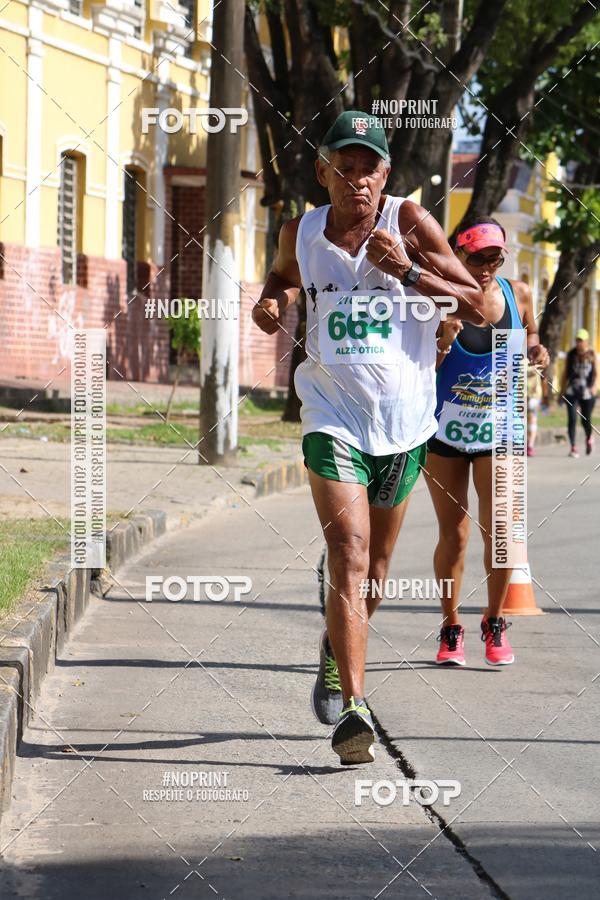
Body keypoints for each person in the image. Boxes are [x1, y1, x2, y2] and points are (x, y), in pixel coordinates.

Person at [252, 110, 491, 765]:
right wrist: (271, 301)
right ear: (323, 171)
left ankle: (336, 647)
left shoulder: (409, 223)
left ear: (387, 175)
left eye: (370, 169)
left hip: (407, 424)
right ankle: (355, 709)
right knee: (350, 550)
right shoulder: (298, 230)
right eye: (345, 167)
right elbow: (282, 275)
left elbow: (481, 309)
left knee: (376, 569)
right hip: (331, 411)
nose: (358, 181)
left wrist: (410, 271)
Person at [424, 217, 549, 667]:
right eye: (477, 257)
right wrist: (441, 342)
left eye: (494, 257)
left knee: (502, 537)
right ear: (457, 254)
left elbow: (531, 331)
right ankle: (450, 626)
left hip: (503, 432)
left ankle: (494, 621)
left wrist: (536, 348)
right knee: (453, 537)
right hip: (445, 434)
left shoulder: (518, 293)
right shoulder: (437, 299)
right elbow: (416, 369)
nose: (486, 266)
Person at [559, 328, 597, 458]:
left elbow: (596, 373)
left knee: (585, 420)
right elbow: (565, 374)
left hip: (587, 391)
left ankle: (589, 436)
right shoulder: (571, 354)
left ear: (586, 341)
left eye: (581, 340)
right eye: (577, 340)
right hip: (572, 391)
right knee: (572, 419)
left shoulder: (592, 354)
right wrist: (561, 390)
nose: (578, 343)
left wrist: (594, 387)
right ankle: (573, 447)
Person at [527, 364, 543, 457]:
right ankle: (526, 443)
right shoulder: (516, 357)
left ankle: (530, 445)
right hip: (520, 396)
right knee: (522, 422)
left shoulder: (537, 358)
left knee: (532, 420)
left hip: (534, 396)